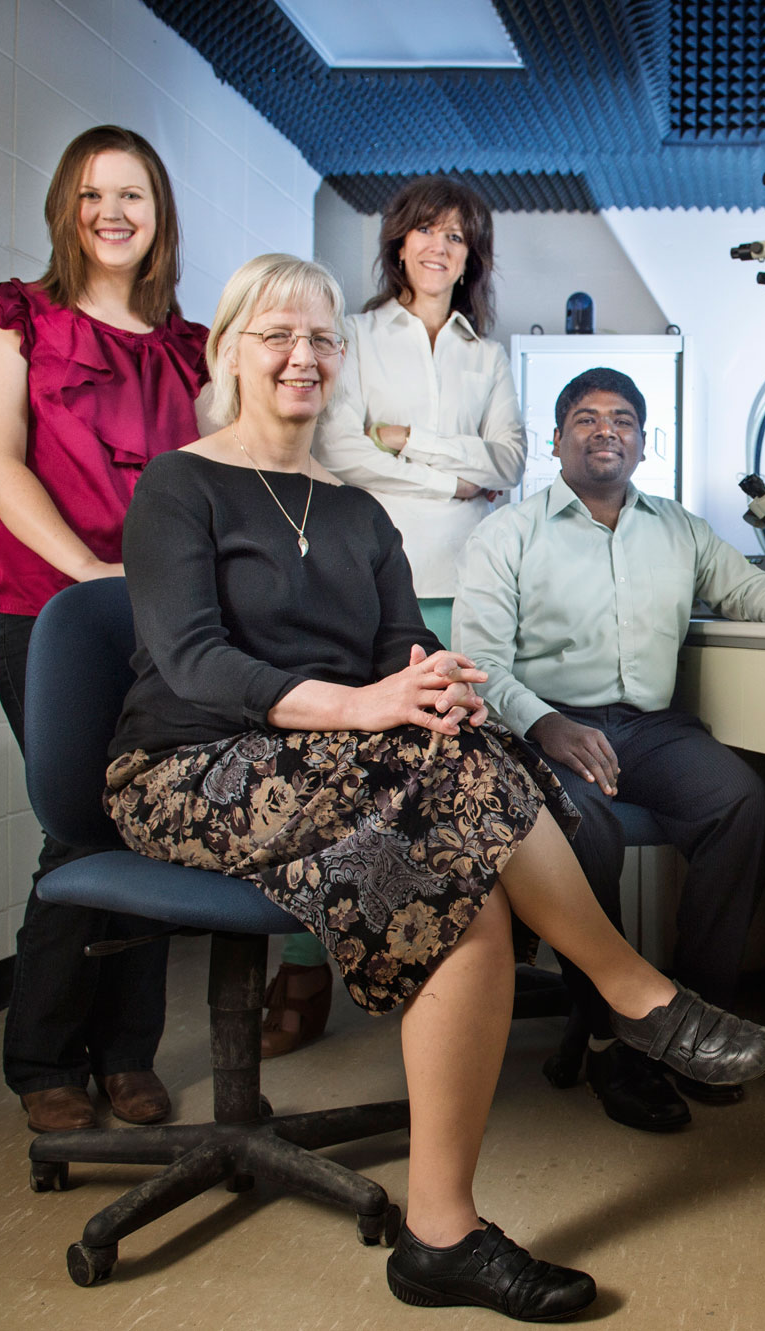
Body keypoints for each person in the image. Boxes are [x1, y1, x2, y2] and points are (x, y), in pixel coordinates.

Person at [108, 253, 765, 1320]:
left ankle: (441, 1232)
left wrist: (433, 683)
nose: (302, 355)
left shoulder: (360, 515)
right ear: (226, 349)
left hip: (331, 765)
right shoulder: (179, 486)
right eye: (276, 333)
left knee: (459, 862)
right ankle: (627, 987)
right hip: (193, 765)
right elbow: (194, 663)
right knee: (461, 785)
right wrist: (366, 703)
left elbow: (396, 646)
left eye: (323, 338)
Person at [454, 368, 765, 1133]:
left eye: (622, 419)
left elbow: (743, 586)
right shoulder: (506, 534)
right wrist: (545, 724)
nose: (605, 430)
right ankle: (606, 1037)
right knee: (586, 829)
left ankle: (690, 1021)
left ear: (642, 442)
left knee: (739, 803)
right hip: (547, 726)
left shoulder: (679, 527)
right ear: (556, 441)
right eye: (585, 418)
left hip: (650, 727)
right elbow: (479, 664)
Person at [0, 125, 202, 1134]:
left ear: (158, 216)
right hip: (53, 616)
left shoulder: (191, 350)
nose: (113, 212)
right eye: (94, 194)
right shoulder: (13, 320)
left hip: (168, 631)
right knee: (77, 826)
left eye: (133, 195)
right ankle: (43, 1059)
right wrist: (95, 572)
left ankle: (127, 1053)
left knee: (157, 824)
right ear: (68, 207)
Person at [277, 178, 525, 1058]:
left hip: (463, 585)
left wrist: (404, 444)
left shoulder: (486, 358)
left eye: (457, 236)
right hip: (366, 579)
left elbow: (509, 461)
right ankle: (304, 964)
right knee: (346, 765)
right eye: (426, 230)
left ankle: (453, 952)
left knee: (452, 764)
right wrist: (455, 475)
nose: (440, 246)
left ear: (472, 256)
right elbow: (339, 449)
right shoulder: (355, 337)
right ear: (399, 243)